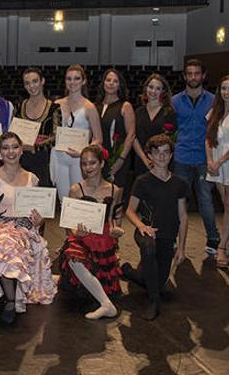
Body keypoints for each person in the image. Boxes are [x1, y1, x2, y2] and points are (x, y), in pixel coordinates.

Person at [0, 132, 57, 324]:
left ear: (21, 150)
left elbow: (41, 216)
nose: (10, 151)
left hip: (25, 229)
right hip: (0, 226)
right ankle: (12, 300)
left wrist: (39, 221)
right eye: (5, 148)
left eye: (14, 147)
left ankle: (11, 297)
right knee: (4, 244)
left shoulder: (33, 179)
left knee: (12, 244)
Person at [122, 134, 188, 321]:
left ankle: (130, 272)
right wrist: (142, 226)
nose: (161, 156)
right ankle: (153, 302)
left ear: (171, 155)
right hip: (146, 232)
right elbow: (130, 211)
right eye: (156, 152)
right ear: (149, 155)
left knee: (155, 282)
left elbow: (183, 217)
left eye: (166, 152)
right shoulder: (142, 181)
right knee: (149, 250)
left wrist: (182, 248)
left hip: (168, 237)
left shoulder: (179, 184)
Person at [56, 145, 124, 320]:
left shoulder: (114, 190)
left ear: (102, 163)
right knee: (72, 255)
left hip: (103, 238)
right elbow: (67, 224)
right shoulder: (76, 189)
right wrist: (75, 233)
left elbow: (114, 218)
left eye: (93, 163)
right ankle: (106, 304)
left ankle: (103, 300)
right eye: (84, 164)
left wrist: (116, 232)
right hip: (81, 237)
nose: (88, 167)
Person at [172, 59, 219, 255]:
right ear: (184, 76)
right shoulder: (174, 101)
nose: (193, 77)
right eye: (189, 74)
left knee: (205, 200)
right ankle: (173, 237)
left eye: (197, 73)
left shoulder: (214, 101)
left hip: (203, 158)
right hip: (181, 157)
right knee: (178, 201)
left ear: (203, 76)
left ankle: (213, 239)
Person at [205, 75, 229, 269]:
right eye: (223, 88)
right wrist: (211, 161)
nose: (226, 92)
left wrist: (220, 160)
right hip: (216, 164)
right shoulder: (215, 111)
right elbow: (208, 138)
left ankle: (221, 247)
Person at [50, 64, 103, 202]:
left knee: (79, 201)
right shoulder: (57, 104)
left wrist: (83, 153)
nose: (72, 82)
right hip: (59, 156)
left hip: (79, 159)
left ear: (83, 81)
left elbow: (98, 139)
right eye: (69, 79)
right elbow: (51, 133)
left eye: (76, 78)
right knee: (63, 200)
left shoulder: (89, 107)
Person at [96, 68, 136, 190]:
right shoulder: (94, 106)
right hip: (98, 159)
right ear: (103, 83)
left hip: (117, 158)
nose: (111, 83)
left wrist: (121, 159)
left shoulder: (125, 106)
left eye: (115, 81)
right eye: (108, 80)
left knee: (116, 198)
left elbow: (131, 135)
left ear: (120, 85)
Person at [18, 67, 56, 188]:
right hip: (23, 161)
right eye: (27, 83)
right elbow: (14, 134)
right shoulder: (19, 106)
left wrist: (34, 147)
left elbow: (56, 138)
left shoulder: (54, 108)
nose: (31, 86)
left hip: (45, 162)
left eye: (35, 81)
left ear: (42, 81)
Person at [132, 73, 177, 176]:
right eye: (151, 87)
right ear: (146, 88)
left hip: (162, 162)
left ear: (163, 92)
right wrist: (145, 159)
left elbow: (170, 140)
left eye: (158, 88)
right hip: (141, 161)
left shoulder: (169, 112)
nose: (153, 91)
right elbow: (134, 138)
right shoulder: (138, 112)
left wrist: (156, 159)